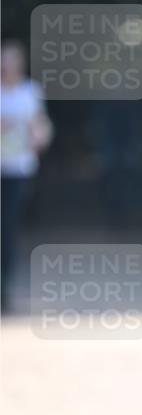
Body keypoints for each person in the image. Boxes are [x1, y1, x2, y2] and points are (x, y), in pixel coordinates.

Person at [1, 39, 53, 313]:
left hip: (19, 169)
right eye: (3, 59)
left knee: (8, 229)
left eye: (11, 59)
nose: (6, 64)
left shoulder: (30, 91)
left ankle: (4, 287)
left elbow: (41, 125)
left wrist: (39, 136)